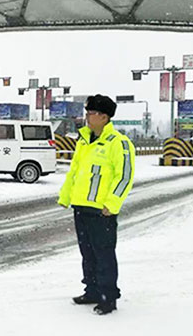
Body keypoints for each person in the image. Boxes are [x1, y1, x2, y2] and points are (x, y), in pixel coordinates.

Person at [58, 94, 135, 315]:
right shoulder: (84, 141)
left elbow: (124, 177)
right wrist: (66, 197)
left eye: (90, 114)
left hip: (102, 211)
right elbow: (75, 173)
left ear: (103, 116)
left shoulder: (118, 143)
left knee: (104, 254)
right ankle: (91, 290)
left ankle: (107, 296)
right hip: (81, 207)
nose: (87, 118)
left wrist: (111, 204)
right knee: (87, 253)